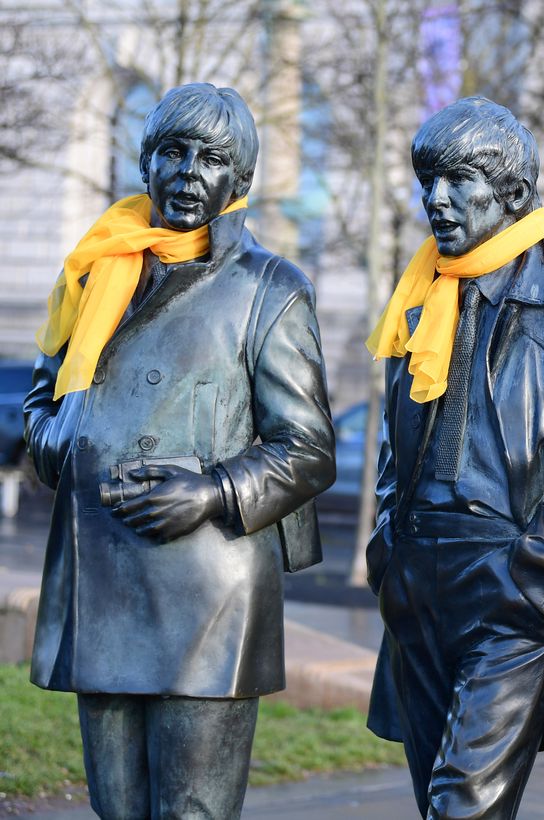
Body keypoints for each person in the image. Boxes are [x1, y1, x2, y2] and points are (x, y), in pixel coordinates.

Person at [24, 83, 335, 819]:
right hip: (103, 578)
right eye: (174, 151)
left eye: (213, 158)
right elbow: (41, 406)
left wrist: (213, 491)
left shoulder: (270, 290)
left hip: (209, 592)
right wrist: (71, 441)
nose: (190, 172)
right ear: (146, 163)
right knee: (116, 808)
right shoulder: (97, 269)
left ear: (240, 181)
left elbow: (308, 447)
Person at [364, 96, 544, 819]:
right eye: (427, 180)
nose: (436, 198)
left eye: (457, 180)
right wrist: (386, 546)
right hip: (417, 580)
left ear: (514, 193)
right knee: (436, 794)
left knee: (463, 803)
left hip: (511, 579)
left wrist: (538, 563)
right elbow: (395, 444)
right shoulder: (417, 299)